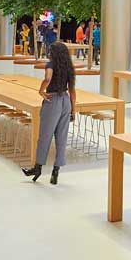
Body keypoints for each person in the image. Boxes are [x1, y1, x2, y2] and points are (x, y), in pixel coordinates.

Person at [23, 41, 77, 184]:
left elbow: (48, 78)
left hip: (52, 100)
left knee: (45, 136)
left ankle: (38, 167)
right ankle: (56, 171)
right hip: (66, 101)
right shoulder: (69, 67)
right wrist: (73, 109)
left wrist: (41, 90)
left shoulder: (51, 64)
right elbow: (72, 90)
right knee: (61, 138)